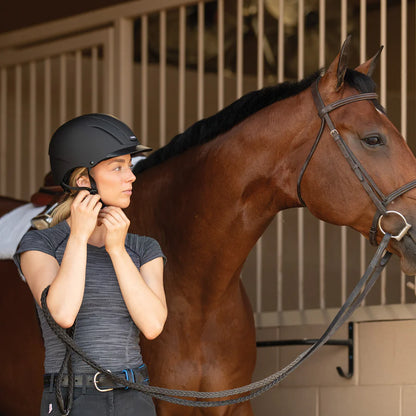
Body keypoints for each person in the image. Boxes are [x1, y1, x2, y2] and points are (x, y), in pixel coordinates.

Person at [13, 113, 167, 416]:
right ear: (84, 180)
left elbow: (152, 325)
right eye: (117, 167)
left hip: (134, 399)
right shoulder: (39, 245)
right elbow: (63, 314)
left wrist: (118, 251)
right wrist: (78, 238)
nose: (131, 176)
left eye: (129, 165)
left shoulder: (143, 248)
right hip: (72, 400)